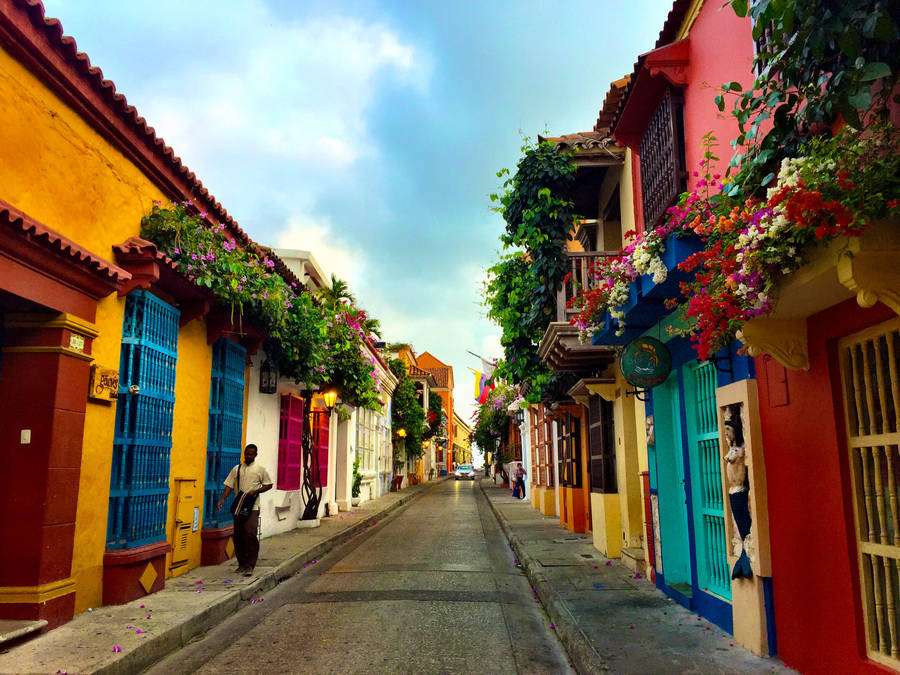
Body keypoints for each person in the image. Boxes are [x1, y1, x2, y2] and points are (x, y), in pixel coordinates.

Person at [216, 444, 272, 576]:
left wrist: (256, 491)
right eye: (247, 453)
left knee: (250, 533)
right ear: (244, 453)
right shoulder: (237, 469)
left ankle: (250, 565)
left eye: (252, 454)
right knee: (238, 536)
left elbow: (268, 484)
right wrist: (222, 499)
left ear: (255, 455)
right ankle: (242, 563)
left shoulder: (260, 469)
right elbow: (229, 485)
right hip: (239, 506)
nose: (249, 456)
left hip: (253, 507)